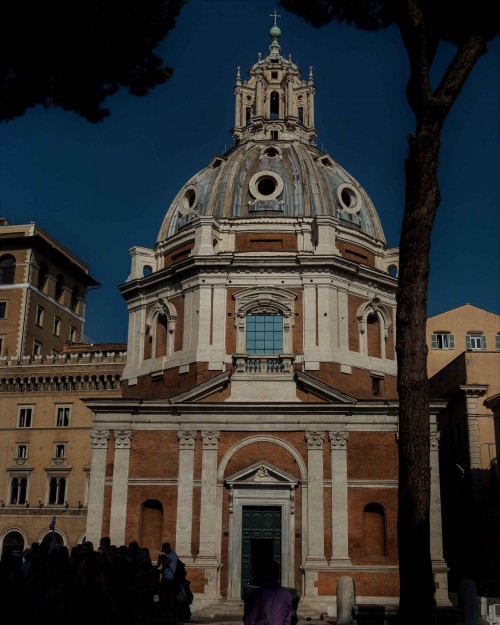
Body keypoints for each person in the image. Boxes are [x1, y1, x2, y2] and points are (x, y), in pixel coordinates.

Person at [243, 560, 292, 625]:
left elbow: (250, 620)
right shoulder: (287, 595)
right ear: (277, 575)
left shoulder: (257, 594)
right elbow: (287, 621)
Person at [157, 542, 178, 617]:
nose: (164, 552)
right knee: (164, 595)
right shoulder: (168, 556)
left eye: (164, 550)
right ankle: (166, 610)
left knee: (169, 595)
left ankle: (170, 611)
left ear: (167, 548)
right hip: (165, 578)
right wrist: (159, 561)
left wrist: (162, 560)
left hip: (169, 579)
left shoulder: (172, 555)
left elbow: (166, 564)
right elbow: (161, 566)